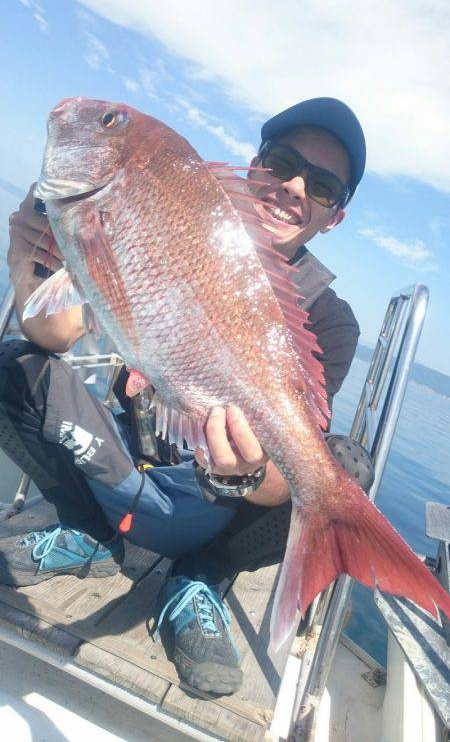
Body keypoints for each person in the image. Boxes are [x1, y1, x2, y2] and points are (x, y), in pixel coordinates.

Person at [0, 97, 372, 695]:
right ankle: (87, 529)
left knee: (342, 469)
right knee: (11, 364)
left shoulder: (329, 320)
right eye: (282, 162)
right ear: (254, 166)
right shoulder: (167, 218)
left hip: (212, 504)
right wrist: (25, 258)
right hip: (123, 457)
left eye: (323, 186)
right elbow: (55, 336)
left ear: (334, 217)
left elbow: (282, 475)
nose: (293, 187)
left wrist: (245, 472)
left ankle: (200, 576)